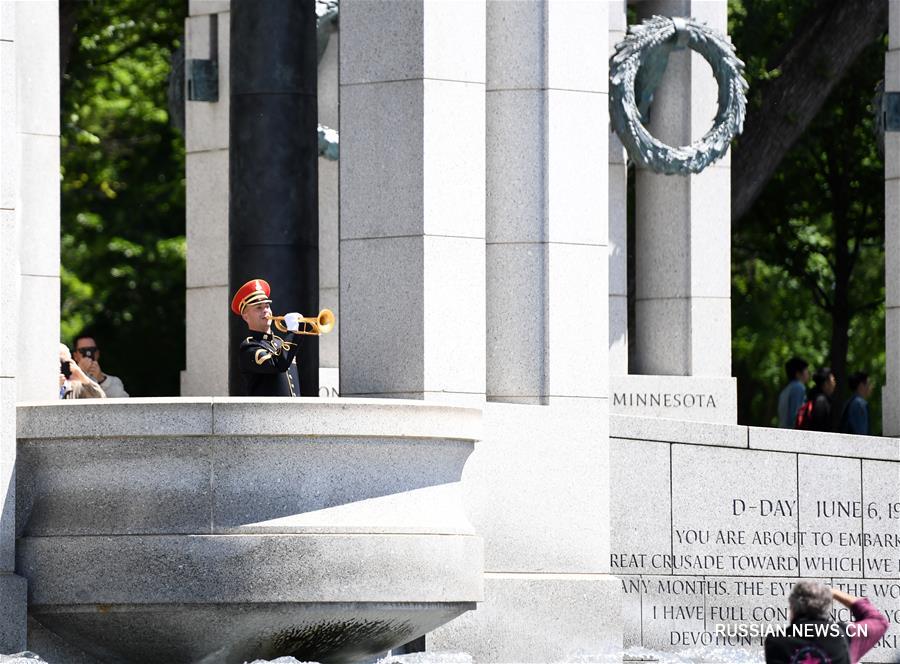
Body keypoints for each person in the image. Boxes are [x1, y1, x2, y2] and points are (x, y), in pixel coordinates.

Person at [764, 581, 888, 664]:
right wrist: (833, 593)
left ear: (792, 609)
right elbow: (879, 621)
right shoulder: (845, 635)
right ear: (826, 607)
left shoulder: (775, 642)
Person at [231, 278, 303, 396]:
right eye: (259, 307)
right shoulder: (249, 348)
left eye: (267, 306)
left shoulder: (280, 344)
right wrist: (292, 332)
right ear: (246, 316)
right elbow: (278, 364)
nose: (265, 311)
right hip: (268, 413)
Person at [73, 332, 130, 398]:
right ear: (75, 356)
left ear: (97, 354)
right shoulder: (66, 380)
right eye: (83, 350)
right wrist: (79, 373)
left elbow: (123, 402)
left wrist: (101, 379)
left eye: (92, 350)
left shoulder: (113, 381)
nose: (88, 354)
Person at [800, 366, 836, 431]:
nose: (834, 383)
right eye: (833, 380)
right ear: (826, 383)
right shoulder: (821, 401)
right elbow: (819, 427)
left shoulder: (815, 398)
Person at [778, 357, 809, 428]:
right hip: (792, 433)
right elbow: (796, 416)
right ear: (798, 374)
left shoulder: (785, 390)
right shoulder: (798, 387)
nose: (808, 372)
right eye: (805, 370)